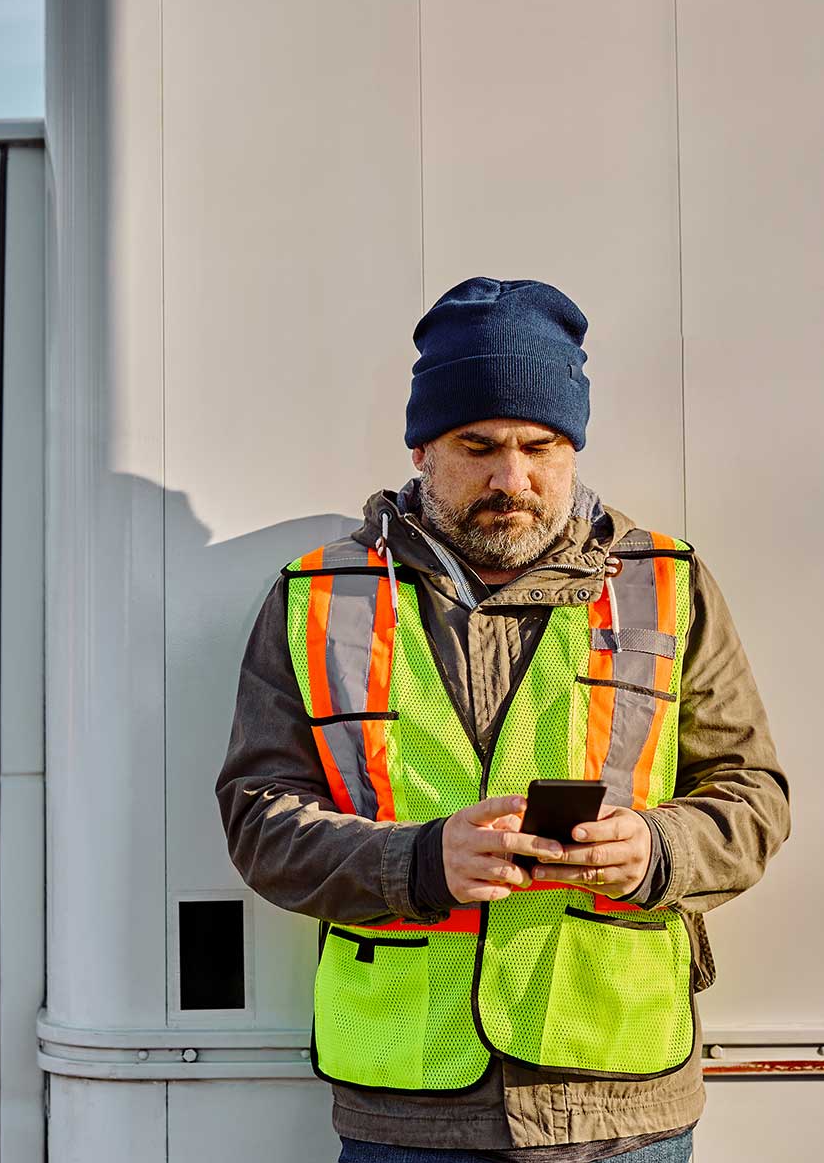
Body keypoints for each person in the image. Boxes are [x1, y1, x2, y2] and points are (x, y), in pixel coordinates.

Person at [216, 277, 790, 1162]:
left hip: (622, 1105)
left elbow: (754, 800)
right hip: (408, 1110)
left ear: (573, 449)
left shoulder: (666, 584)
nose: (511, 479)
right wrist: (418, 861)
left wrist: (655, 850)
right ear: (422, 447)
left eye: (541, 446)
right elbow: (260, 821)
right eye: (477, 445)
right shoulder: (321, 596)